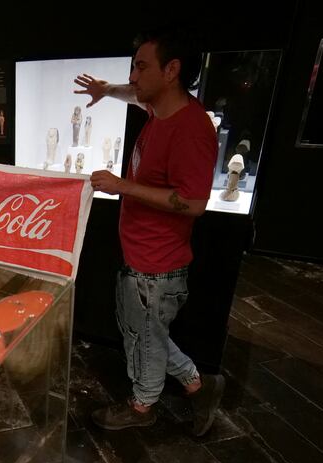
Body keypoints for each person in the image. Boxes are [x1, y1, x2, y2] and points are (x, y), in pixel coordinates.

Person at [73, 27, 224, 436]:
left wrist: (122, 186)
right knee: (142, 333)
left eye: (141, 67)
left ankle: (143, 407)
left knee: (143, 339)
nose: (134, 77)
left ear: (171, 70)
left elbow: (193, 203)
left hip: (157, 268)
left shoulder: (191, 129)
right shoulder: (160, 109)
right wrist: (107, 90)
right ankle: (199, 384)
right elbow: (134, 93)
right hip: (142, 259)